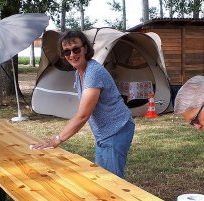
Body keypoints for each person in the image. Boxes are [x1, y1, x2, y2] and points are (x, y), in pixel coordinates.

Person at [32, 30, 135, 178]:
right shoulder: (79, 72)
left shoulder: (93, 72)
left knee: (113, 182)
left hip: (117, 129)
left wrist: (57, 139)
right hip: (104, 133)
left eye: (76, 49)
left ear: (85, 48)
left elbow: (83, 116)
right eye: (67, 52)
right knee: (102, 177)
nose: (72, 55)